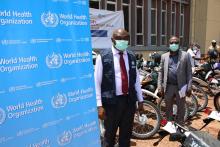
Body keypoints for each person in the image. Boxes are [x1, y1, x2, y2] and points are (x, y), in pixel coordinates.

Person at [95, 28, 144, 147]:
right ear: (113, 40)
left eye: (126, 39)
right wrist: (99, 105)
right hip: (111, 103)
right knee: (109, 136)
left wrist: (141, 100)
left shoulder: (131, 56)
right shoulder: (103, 56)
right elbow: (96, 81)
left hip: (129, 102)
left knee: (126, 135)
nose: (123, 41)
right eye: (119, 38)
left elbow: (136, 79)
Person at [157, 36, 192, 127]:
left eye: (176, 43)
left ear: (179, 44)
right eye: (172, 43)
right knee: (168, 107)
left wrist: (189, 87)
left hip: (182, 87)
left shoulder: (185, 55)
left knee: (181, 107)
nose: (174, 44)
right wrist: (160, 87)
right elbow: (160, 72)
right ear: (169, 44)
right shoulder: (164, 56)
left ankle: (180, 125)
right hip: (168, 86)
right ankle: (169, 124)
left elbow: (189, 72)